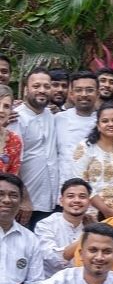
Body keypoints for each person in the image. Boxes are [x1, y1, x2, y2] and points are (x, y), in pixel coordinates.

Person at [59, 104, 113, 220]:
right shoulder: (85, 147)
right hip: (90, 213)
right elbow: (80, 183)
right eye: (105, 121)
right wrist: (106, 210)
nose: (110, 124)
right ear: (98, 126)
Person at [15, 68, 58, 225]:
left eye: (46, 86)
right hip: (25, 205)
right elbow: (14, 163)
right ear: (26, 89)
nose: (42, 90)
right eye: (36, 86)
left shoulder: (52, 116)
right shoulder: (17, 118)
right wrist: (24, 199)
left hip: (51, 201)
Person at [35, 178, 93, 278]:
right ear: (61, 201)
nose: (76, 200)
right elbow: (52, 259)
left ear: (89, 202)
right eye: (70, 196)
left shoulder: (91, 226)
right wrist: (89, 236)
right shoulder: (45, 225)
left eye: (82, 196)